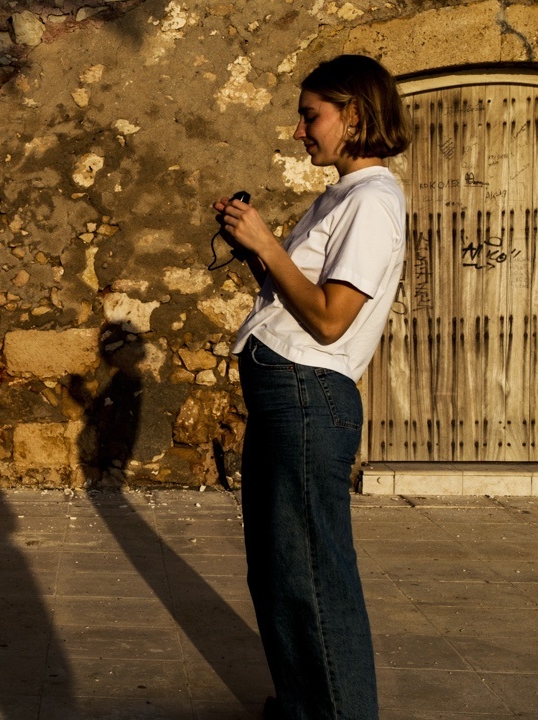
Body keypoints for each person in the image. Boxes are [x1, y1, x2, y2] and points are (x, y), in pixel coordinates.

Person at [214, 54, 408, 719]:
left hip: (307, 393)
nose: (301, 132)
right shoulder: (343, 195)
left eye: (311, 116)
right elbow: (294, 301)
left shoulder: (374, 201)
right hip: (285, 389)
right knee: (277, 567)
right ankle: (303, 705)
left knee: (316, 575)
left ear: (354, 114)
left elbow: (330, 318)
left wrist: (269, 246)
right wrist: (254, 248)